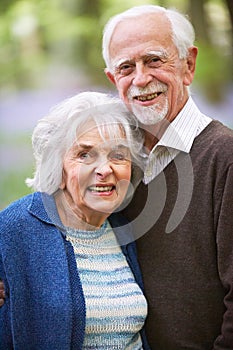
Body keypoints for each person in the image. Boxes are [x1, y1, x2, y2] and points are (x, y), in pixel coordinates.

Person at [102, 4, 233, 350]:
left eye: (154, 60)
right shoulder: (112, 165)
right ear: (114, 80)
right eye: (126, 67)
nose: (141, 79)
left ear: (188, 65)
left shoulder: (225, 157)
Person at [0, 91, 151, 349]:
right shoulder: (15, 227)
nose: (105, 170)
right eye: (84, 155)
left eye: (118, 155)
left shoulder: (121, 225)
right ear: (58, 168)